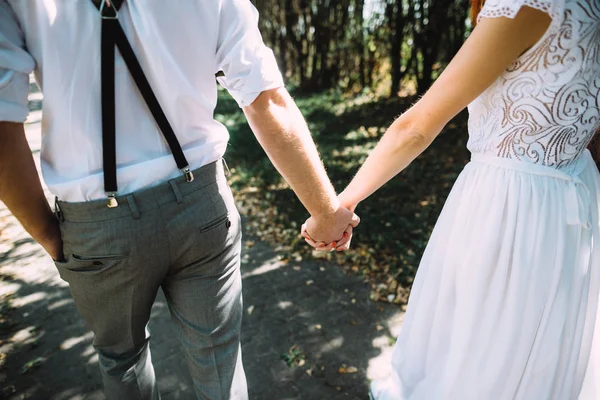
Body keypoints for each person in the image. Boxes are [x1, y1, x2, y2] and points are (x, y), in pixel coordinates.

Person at [0, 0, 358, 398]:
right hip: (201, 205)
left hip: (97, 226)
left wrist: (49, 235)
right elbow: (265, 101)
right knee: (218, 357)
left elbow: (2, 126)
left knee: (122, 360)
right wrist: (325, 211)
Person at [303, 0, 600, 398]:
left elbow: (415, 128)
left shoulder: (526, 4)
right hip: (575, 201)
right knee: (537, 355)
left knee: (476, 358)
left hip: (510, 211)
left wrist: (342, 205)